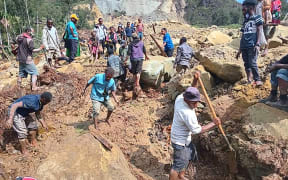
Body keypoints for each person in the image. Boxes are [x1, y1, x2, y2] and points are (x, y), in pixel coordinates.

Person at [169, 72, 221, 180]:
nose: (196, 105)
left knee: (187, 157)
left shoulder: (180, 97)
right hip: (180, 142)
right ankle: (176, 176)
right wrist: (213, 123)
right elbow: (197, 130)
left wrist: (195, 80)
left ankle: (181, 176)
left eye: (197, 102)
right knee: (177, 166)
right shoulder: (186, 113)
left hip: (184, 138)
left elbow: (191, 90)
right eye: (193, 103)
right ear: (186, 100)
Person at [236, 0, 263, 86]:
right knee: (246, 63)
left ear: (250, 7)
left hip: (252, 45)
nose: (243, 10)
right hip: (244, 46)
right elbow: (243, 35)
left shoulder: (257, 18)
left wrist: (258, 43)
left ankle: (257, 79)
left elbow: (260, 30)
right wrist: (239, 50)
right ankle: (249, 79)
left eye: (244, 8)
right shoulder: (245, 21)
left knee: (252, 63)